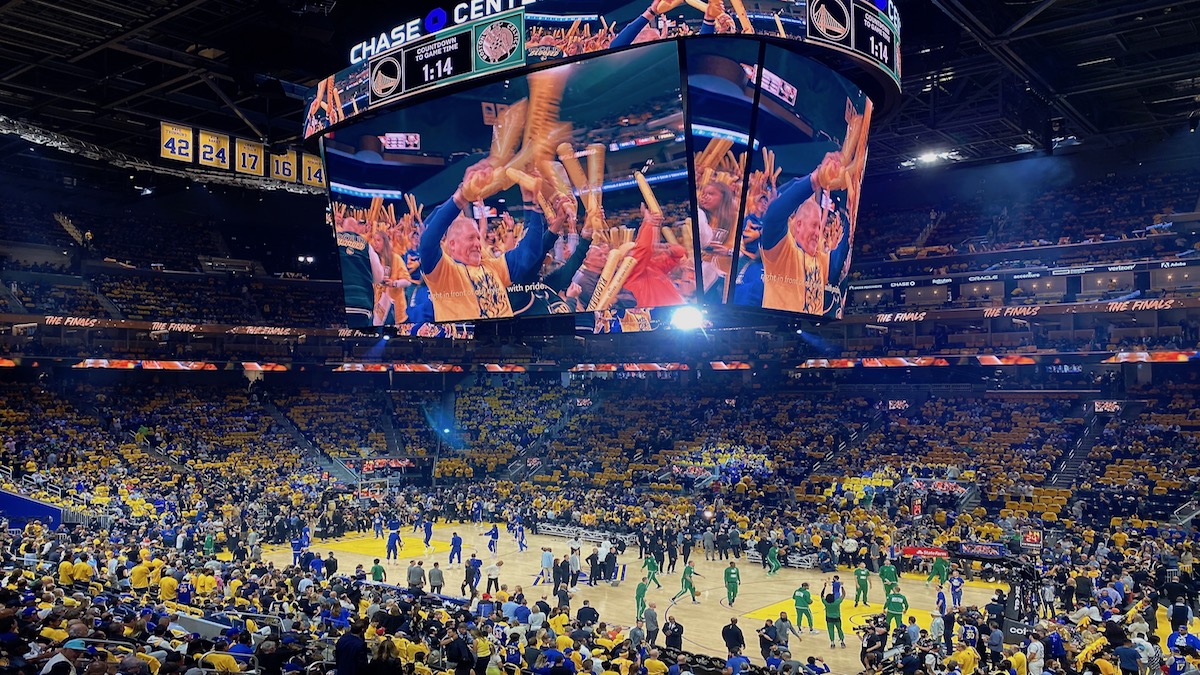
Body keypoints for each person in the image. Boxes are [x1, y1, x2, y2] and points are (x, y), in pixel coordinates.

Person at [822, 581, 846, 649]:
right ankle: (842, 642)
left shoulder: (826, 603)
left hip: (829, 619)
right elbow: (843, 595)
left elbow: (821, 595)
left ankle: (832, 643)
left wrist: (824, 587)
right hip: (837, 618)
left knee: (830, 631)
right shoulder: (836, 602)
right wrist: (842, 587)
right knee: (839, 629)